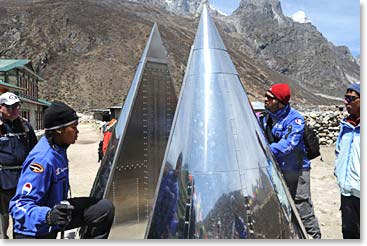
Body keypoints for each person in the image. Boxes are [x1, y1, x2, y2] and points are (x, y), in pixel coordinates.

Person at [9, 101, 114, 239]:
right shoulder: (42, 160)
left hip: (57, 213)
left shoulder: (59, 146)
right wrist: (48, 216)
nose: (77, 132)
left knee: (103, 209)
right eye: (74, 127)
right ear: (59, 130)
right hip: (35, 230)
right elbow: (18, 206)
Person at [258, 83, 321, 239]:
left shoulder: (295, 120)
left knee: (301, 205)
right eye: (266, 96)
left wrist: (265, 150)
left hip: (298, 170)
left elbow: (288, 145)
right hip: (277, 169)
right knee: (281, 204)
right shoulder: (265, 118)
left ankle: (314, 236)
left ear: (280, 102)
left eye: (270, 98)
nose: (265, 100)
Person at [0, 92, 37, 239]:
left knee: (22, 215)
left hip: (23, 180)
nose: (14, 110)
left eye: (16, 106)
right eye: (9, 107)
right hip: (2, 181)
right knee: (2, 218)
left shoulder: (26, 126)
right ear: (0, 107)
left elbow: (35, 151)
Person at [334, 83, 360, 239]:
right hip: (346, 191)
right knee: (349, 233)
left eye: (351, 98)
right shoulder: (346, 126)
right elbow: (339, 152)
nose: (346, 102)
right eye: (345, 98)